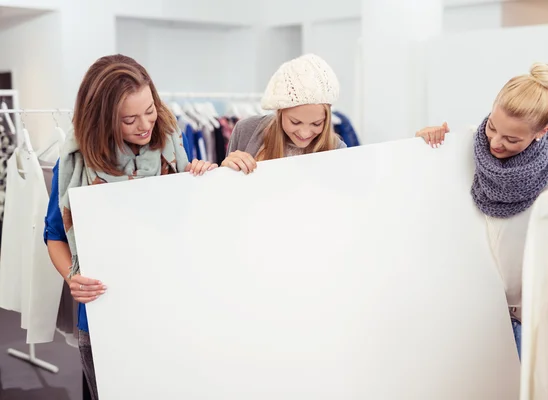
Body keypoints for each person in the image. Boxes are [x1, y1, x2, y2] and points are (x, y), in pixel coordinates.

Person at [44, 54, 217, 399]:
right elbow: (53, 235)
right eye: (129, 119)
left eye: (150, 110)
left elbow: (192, 223)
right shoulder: (75, 164)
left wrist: (203, 179)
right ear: (103, 119)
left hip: (175, 307)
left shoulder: (174, 147)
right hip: (106, 314)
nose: (145, 125)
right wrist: (72, 278)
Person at [416, 62, 548, 360]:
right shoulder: (466, 147)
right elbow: (420, 184)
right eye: (493, 128)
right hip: (467, 309)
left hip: (526, 319)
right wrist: (425, 140)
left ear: (541, 132)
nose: (495, 142)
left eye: (511, 139)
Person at [221, 54, 346, 173]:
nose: (304, 133)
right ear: (279, 111)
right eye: (295, 122)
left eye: (316, 124)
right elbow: (225, 192)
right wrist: (224, 171)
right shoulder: (246, 130)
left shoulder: (338, 150)